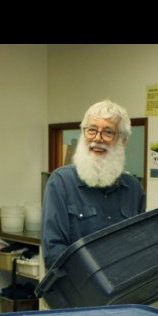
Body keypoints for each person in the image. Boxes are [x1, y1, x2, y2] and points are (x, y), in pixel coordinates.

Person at [41, 99, 146, 267]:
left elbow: (138, 245)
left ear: (123, 140)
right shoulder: (61, 182)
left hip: (121, 288)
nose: (97, 139)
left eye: (108, 132)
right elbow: (53, 251)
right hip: (75, 289)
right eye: (91, 130)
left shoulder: (133, 188)